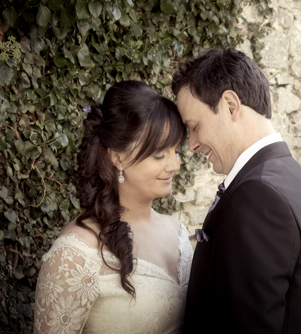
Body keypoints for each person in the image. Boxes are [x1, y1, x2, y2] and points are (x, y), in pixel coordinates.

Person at [174, 48, 301, 333]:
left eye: (194, 127)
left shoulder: (257, 197)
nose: (192, 144)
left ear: (230, 105)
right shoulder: (290, 174)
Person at [33, 81, 192, 334]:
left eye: (177, 151)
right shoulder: (76, 252)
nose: (175, 165)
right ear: (118, 157)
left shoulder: (178, 231)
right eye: (160, 154)